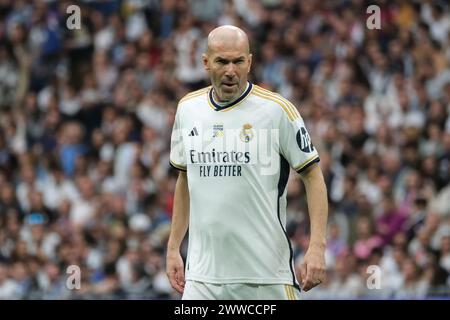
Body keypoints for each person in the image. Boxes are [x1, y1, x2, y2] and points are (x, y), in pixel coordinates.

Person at [167, 25, 328, 300]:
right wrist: (173, 247)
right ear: (206, 62)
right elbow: (185, 179)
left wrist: (317, 246)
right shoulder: (187, 109)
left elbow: (313, 176)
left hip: (265, 278)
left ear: (249, 62)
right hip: (202, 280)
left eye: (238, 61)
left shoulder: (277, 111)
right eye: (222, 61)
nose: (231, 70)